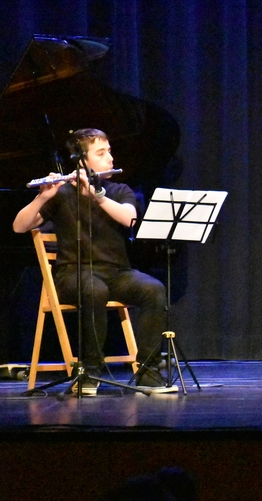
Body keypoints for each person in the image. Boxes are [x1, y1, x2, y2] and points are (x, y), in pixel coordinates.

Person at [13, 128, 175, 395]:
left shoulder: (119, 190)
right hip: (72, 274)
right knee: (93, 289)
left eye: (109, 150)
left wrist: (97, 196)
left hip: (116, 273)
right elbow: (19, 226)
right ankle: (90, 372)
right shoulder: (62, 193)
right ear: (82, 161)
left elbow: (129, 219)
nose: (110, 158)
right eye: (101, 153)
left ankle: (148, 372)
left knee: (154, 289)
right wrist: (43, 195)